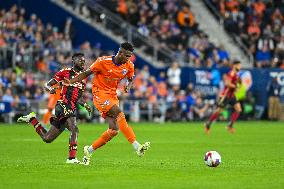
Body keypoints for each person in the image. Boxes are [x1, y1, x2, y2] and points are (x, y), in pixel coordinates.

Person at [64, 42, 150, 166]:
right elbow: (85, 73)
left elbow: (131, 78)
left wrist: (128, 86)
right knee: (119, 114)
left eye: (130, 56)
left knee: (114, 130)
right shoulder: (102, 61)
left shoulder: (129, 65)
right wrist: (70, 81)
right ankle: (137, 146)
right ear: (119, 52)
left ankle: (89, 150)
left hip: (112, 96)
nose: (128, 59)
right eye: (126, 55)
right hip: (100, 94)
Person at [17, 53, 92, 164]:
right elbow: (48, 84)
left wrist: (85, 105)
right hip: (63, 105)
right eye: (80, 60)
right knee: (74, 128)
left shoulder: (83, 78)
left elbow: (78, 97)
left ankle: (32, 119)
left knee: (47, 138)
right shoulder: (65, 72)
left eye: (84, 61)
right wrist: (50, 89)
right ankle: (71, 158)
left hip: (71, 106)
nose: (82, 62)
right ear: (73, 60)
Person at [204, 60, 242, 134]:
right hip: (226, 95)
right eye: (239, 65)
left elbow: (236, 84)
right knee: (219, 111)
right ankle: (208, 124)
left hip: (232, 95)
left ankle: (229, 126)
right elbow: (227, 83)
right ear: (235, 66)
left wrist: (237, 86)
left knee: (238, 109)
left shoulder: (236, 74)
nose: (240, 67)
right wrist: (235, 86)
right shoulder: (231, 73)